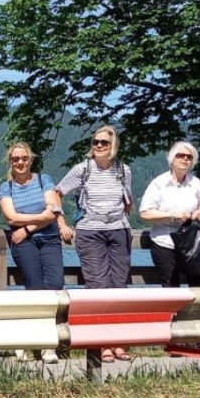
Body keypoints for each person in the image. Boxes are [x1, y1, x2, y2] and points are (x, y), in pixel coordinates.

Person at [55, 125, 135, 364]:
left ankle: (118, 342)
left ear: (113, 146)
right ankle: (101, 345)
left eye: (104, 143)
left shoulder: (123, 170)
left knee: (119, 287)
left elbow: (128, 201)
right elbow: (55, 192)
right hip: (90, 231)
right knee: (98, 287)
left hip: (119, 230)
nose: (99, 146)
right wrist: (62, 223)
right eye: (95, 142)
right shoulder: (83, 169)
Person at [0, 142, 65, 364]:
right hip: (23, 244)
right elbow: (12, 218)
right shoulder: (6, 188)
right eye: (15, 159)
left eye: (24, 158)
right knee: (34, 289)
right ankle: (29, 342)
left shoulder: (44, 179)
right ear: (11, 162)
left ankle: (47, 343)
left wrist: (27, 228)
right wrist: (41, 219)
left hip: (48, 239)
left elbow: (53, 210)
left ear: (31, 160)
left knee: (54, 286)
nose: (20, 163)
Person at [140, 141, 200, 289]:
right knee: (170, 288)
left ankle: (197, 313)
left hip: (191, 243)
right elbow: (145, 213)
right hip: (165, 242)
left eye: (189, 157)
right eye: (180, 155)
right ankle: (174, 313)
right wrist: (173, 215)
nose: (185, 159)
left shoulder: (196, 182)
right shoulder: (159, 184)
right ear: (172, 159)